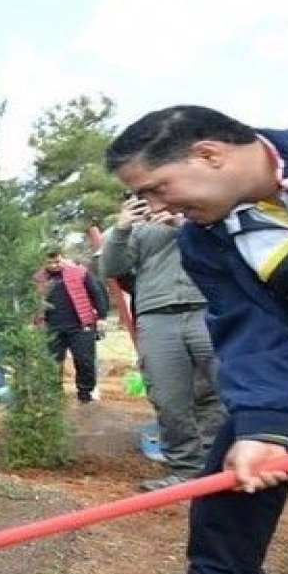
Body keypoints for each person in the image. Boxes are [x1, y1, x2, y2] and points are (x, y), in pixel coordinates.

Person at [107, 105, 288, 574]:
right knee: (242, 453)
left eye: (157, 188)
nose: (155, 206)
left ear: (209, 154)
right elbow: (256, 331)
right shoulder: (204, 240)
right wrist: (263, 428)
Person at [100, 198, 224, 491]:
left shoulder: (209, 212)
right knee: (169, 397)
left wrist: (184, 225)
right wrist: (121, 228)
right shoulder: (138, 230)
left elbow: (230, 250)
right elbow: (111, 267)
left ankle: (218, 466)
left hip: (207, 307)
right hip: (157, 316)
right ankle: (185, 469)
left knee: (220, 391)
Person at [34, 250, 109, 403]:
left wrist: (101, 316)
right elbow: (31, 301)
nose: (54, 265)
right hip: (51, 326)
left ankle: (85, 393)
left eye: (57, 261)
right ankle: (53, 395)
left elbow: (97, 293)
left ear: (63, 258)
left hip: (80, 325)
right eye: (49, 263)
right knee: (52, 362)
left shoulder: (80, 273)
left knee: (84, 360)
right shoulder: (38, 278)